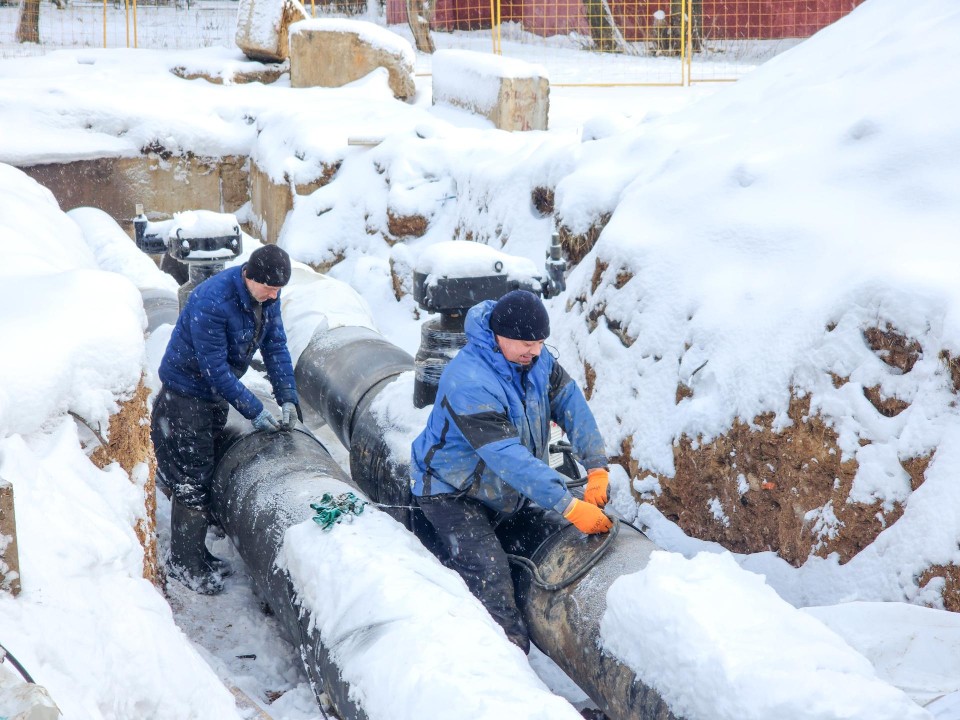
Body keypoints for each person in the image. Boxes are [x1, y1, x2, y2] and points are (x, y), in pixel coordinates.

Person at [410, 289, 612, 653]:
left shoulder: (536, 361)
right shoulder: (469, 380)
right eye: (525, 343)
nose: (533, 351)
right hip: (451, 491)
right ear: (497, 334)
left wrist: (596, 466)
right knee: (491, 578)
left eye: (539, 343)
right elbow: (507, 457)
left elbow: (571, 404)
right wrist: (568, 505)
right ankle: (508, 665)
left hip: (501, 488)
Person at [151, 245, 301, 595]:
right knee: (192, 478)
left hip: (212, 396)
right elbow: (214, 370)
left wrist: (288, 398)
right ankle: (184, 565)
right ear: (250, 275)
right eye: (270, 288)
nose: (275, 295)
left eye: (280, 290)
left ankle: (194, 552)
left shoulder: (265, 297)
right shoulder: (212, 301)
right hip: (185, 396)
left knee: (204, 467)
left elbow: (276, 346)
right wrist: (255, 410)